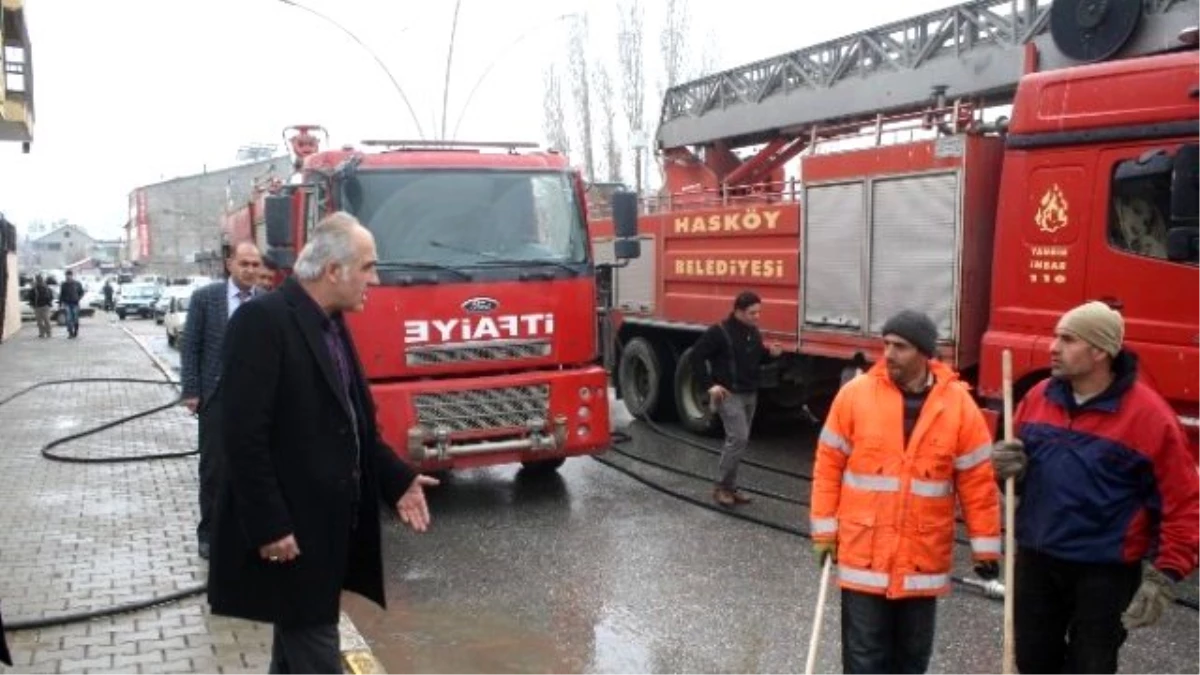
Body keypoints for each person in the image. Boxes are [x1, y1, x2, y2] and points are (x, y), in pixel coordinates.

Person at [208, 212, 438, 673]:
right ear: (335, 270)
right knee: (314, 647)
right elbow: (239, 435)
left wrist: (397, 480)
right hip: (292, 530)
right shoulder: (263, 321)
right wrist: (269, 524)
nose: (376, 278)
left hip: (327, 532)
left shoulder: (331, 323)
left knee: (297, 648)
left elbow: (352, 423)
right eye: (369, 267)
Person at [991, 301, 1200, 675]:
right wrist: (1009, 471)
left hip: (1104, 570)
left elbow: (1183, 502)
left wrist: (1165, 575)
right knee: (1033, 662)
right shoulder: (1038, 398)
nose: (1053, 347)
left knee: (1092, 666)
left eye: (1068, 339)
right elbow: (1017, 481)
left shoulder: (1149, 417)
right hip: (1038, 558)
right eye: (1055, 336)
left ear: (1100, 350)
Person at [810, 309, 1001, 675]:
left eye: (900, 346)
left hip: (920, 563)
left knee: (911, 663)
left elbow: (977, 482)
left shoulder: (958, 407)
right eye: (886, 344)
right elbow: (828, 467)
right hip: (864, 557)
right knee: (864, 661)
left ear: (924, 353)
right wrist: (823, 531)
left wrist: (986, 547)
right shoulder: (855, 396)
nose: (889, 354)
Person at [180, 241, 263, 560]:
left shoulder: (267, 301)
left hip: (256, 401)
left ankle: (249, 531)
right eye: (245, 263)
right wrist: (191, 390)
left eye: (256, 264)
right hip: (217, 397)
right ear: (230, 264)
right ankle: (210, 534)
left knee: (255, 468)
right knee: (215, 468)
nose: (251, 270)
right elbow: (191, 347)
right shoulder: (206, 299)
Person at [687, 291, 782, 506]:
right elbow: (696, 356)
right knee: (738, 439)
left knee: (739, 442)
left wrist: (771, 354)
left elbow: (757, 357)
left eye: (759, 312)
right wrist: (709, 385)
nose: (757, 317)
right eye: (752, 313)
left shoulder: (752, 332)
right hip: (729, 394)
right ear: (738, 311)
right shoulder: (719, 332)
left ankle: (730, 487)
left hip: (750, 393)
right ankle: (721, 487)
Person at [58, 270, 84, 339]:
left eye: (69, 275)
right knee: (69, 319)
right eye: (67, 275)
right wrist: (60, 303)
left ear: (72, 276)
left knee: (75, 318)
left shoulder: (77, 283)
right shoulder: (63, 284)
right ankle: (70, 333)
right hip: (67, 303)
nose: (68, 277)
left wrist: (78, 298)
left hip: (75, 303)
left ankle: (75, 330)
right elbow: (61, 294)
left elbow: (81, 292)